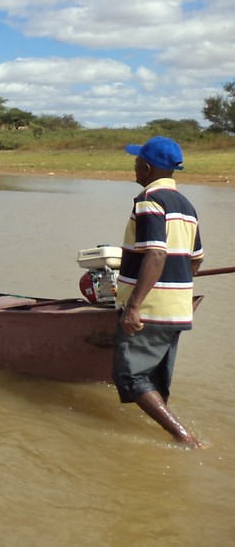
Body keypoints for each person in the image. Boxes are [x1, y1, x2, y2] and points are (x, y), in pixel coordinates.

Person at [113, 136, 204, 447]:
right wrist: (176, 285)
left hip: (151, 309)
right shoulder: (187, 206)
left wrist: (134, 305)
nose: (134, 168)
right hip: (179, 307)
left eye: (137, 162)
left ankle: (184, 437)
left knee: (130, 376)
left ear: (148, 167)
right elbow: (196, 259)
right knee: (152, 378)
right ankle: (173, 430)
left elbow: (156, 253)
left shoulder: (149, 201)